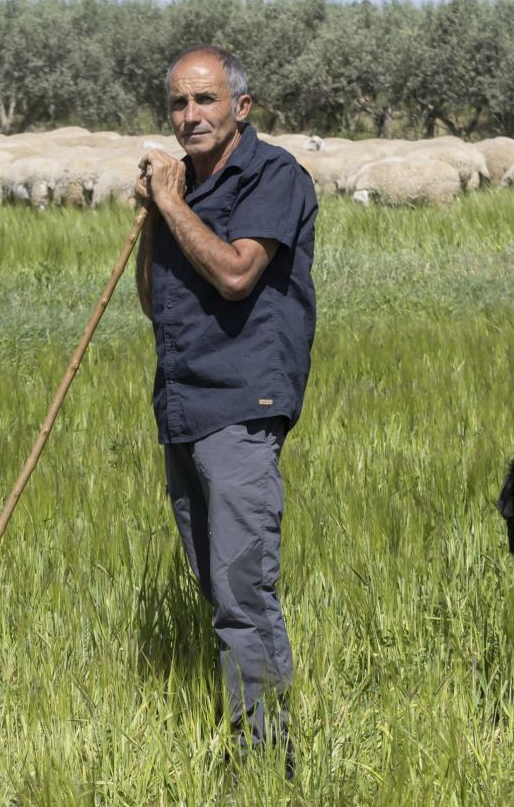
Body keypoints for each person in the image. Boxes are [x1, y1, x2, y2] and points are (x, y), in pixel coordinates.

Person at [134, 45, 318, 766]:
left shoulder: (273, 176)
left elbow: (240, 273)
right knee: (215, 584)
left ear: (240, 106)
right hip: (183, 405)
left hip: (243, 406)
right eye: (179, 103)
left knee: (243, 589)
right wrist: (157, 214)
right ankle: (251, 736)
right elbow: (156, 302)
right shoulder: (182, 193)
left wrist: (171, 202)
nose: (190, 116)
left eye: (205, 100)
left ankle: (265, 757)